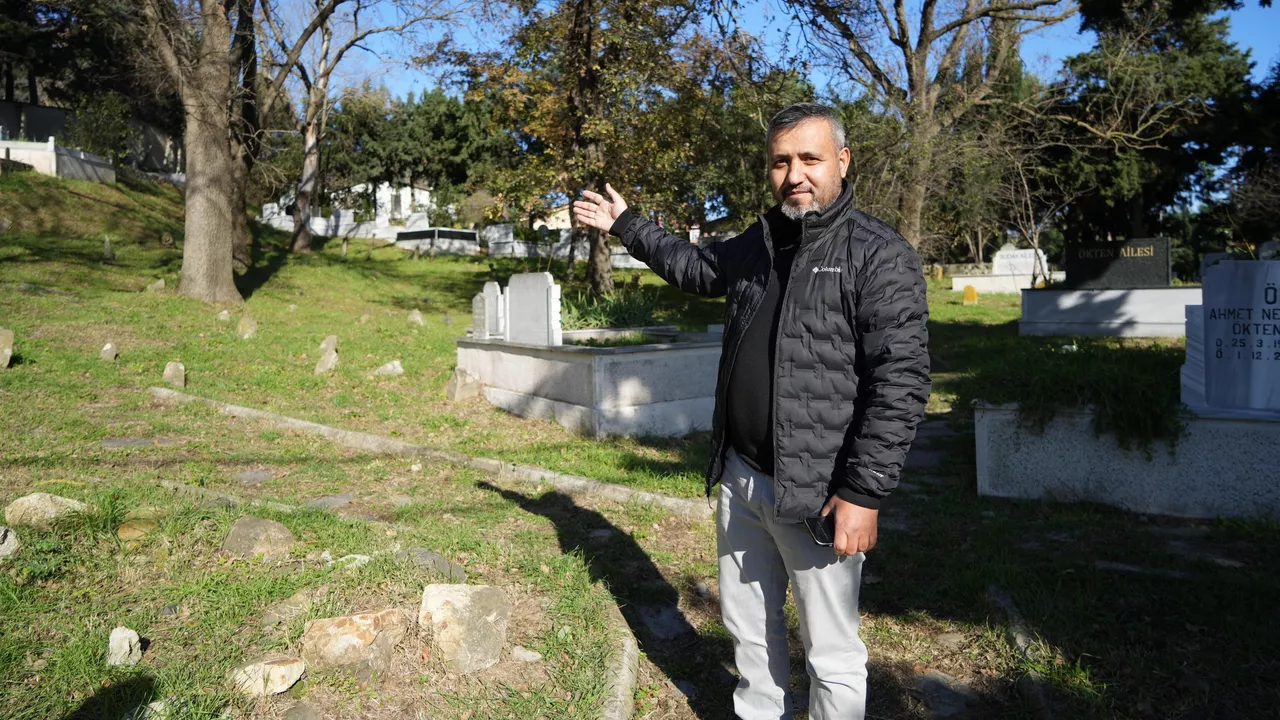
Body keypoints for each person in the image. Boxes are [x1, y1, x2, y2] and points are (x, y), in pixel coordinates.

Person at [573, 102, 931, 720]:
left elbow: (900, 381)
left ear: (843, 161)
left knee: (831, 654)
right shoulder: (761, 241)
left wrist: (864, 492)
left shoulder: (879, 254)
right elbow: (697, 268)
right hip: (742, 478)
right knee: (750, 634)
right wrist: (626, 223)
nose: (795, 175)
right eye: (781, 162)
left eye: (811, 159)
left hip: (818, 491)